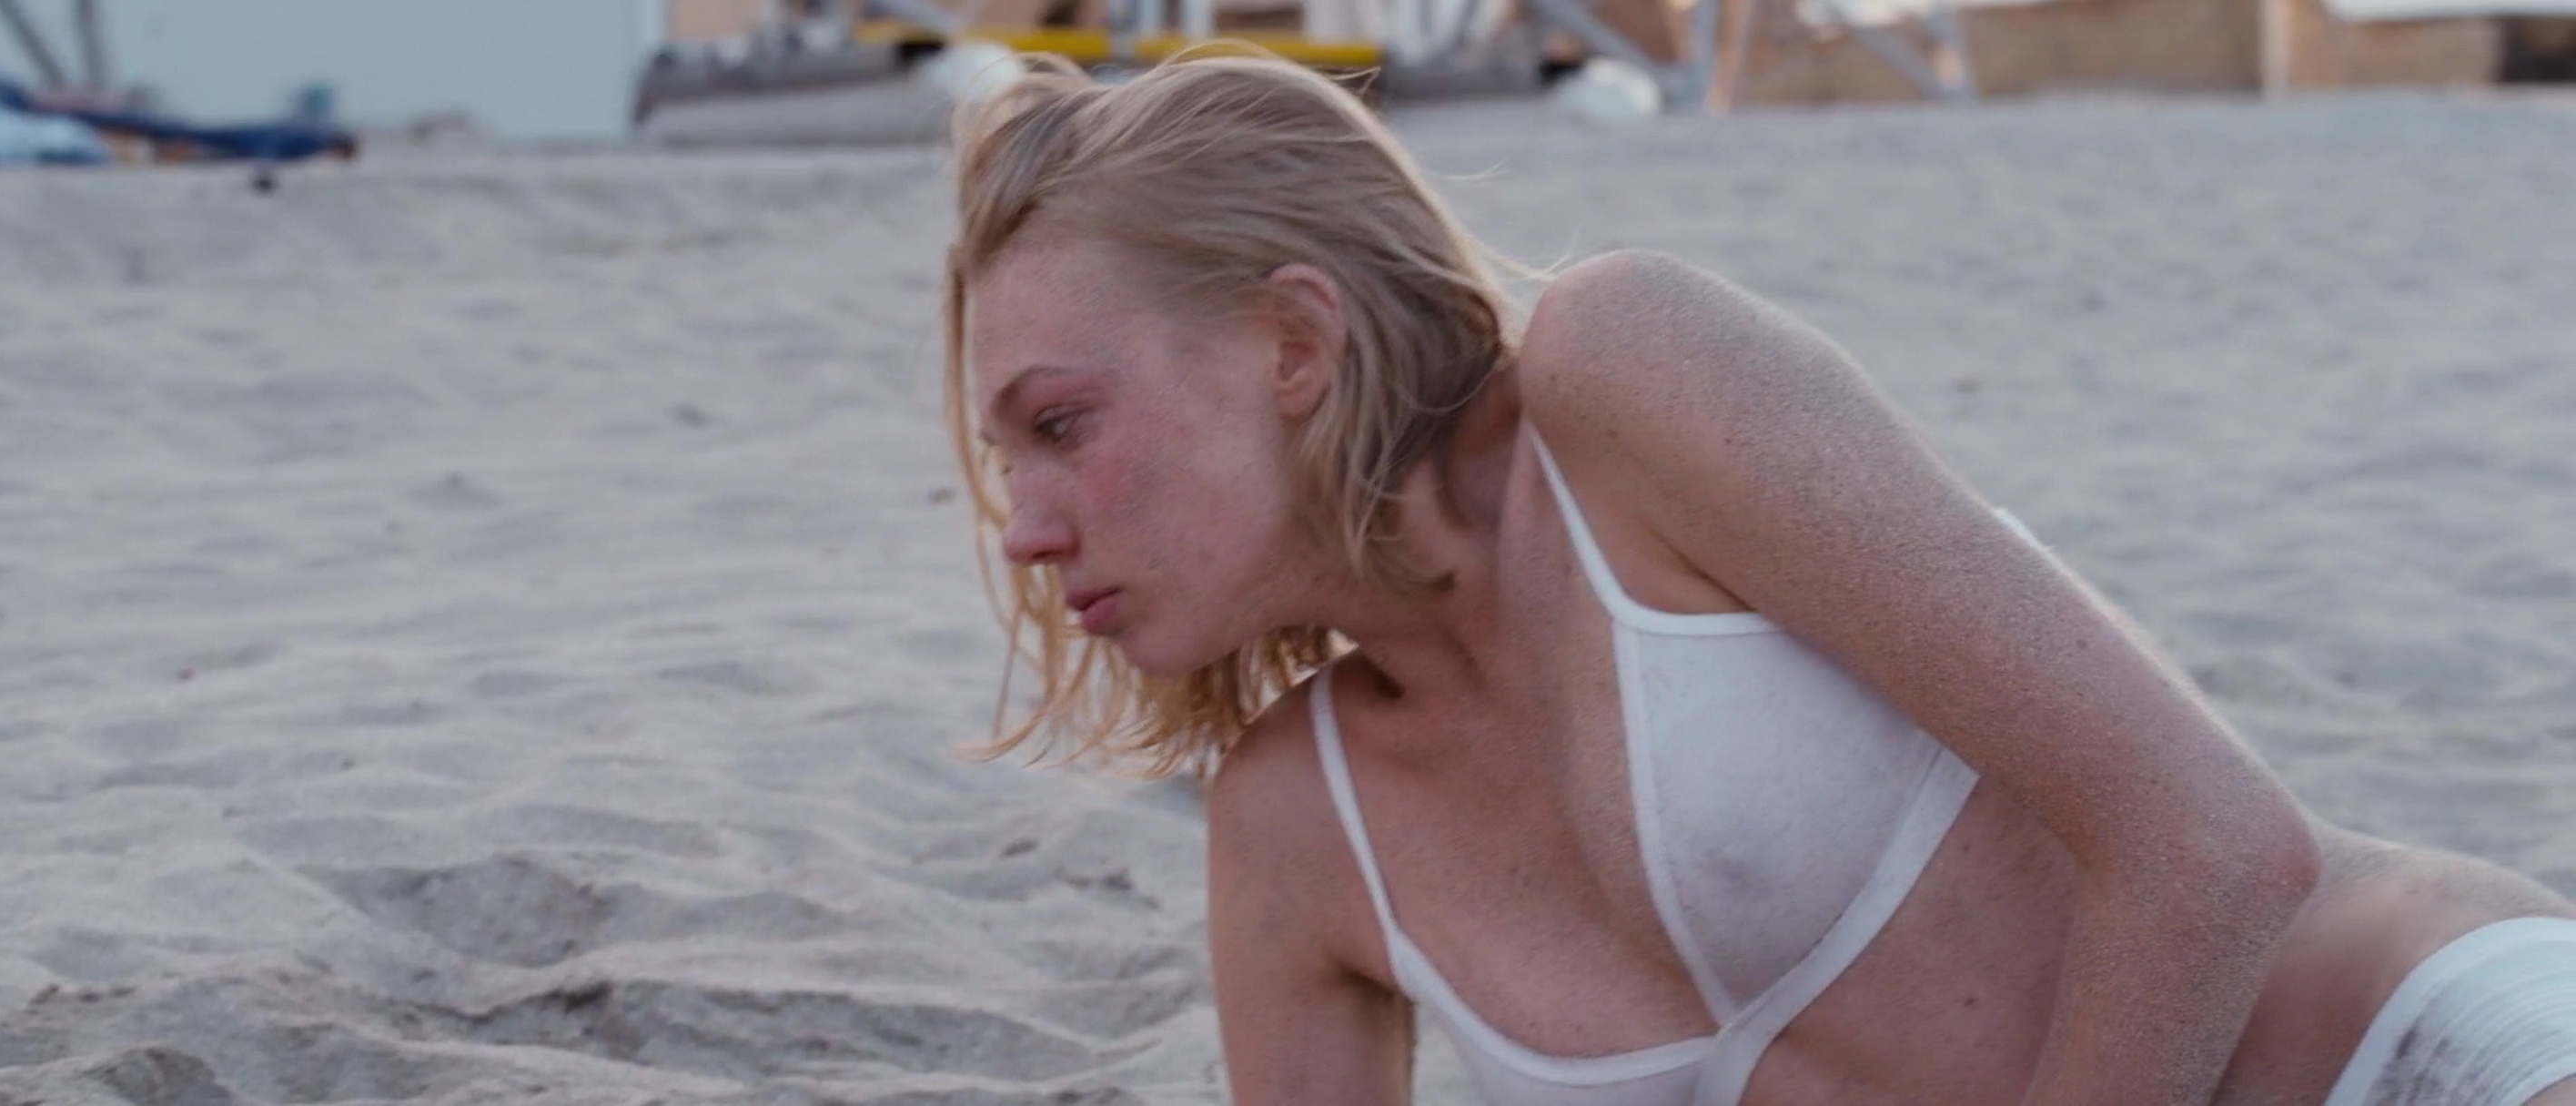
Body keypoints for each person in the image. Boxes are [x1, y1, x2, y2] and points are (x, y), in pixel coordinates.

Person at [935, 48, 2576, 1106]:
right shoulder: (1293, 834)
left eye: (1061, 425)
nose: (1025, 529)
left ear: (1295, 341)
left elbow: (2212, 849)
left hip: (2412, 1053)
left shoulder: (1620, 390)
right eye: (1009, 465)